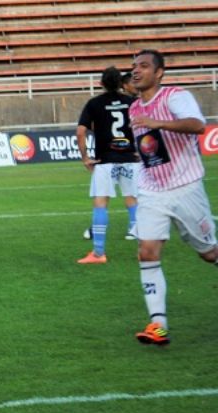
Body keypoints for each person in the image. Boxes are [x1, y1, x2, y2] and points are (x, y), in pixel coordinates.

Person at [128, 49, 217, 345]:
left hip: (186, 187)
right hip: (153, 190)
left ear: (159, 72)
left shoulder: (175, 97)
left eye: (143, 66)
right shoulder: (134, 108)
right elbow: (146, 147)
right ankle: (158, 325)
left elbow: (197, 125)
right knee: (147, 252)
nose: (136, 71)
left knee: (209, 253)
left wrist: (159, 124)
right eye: (134, 66)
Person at [76, 66, 140, 264]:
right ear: (122, 83)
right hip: (130, 159)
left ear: (101, 83)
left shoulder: (94, 104)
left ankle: (98, 253)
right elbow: (143, 127)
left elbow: (80, 132)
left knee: (101, 203)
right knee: (135, 202)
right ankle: (144, 251)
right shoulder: (132, 102)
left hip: (105, 161)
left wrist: (86, 158)